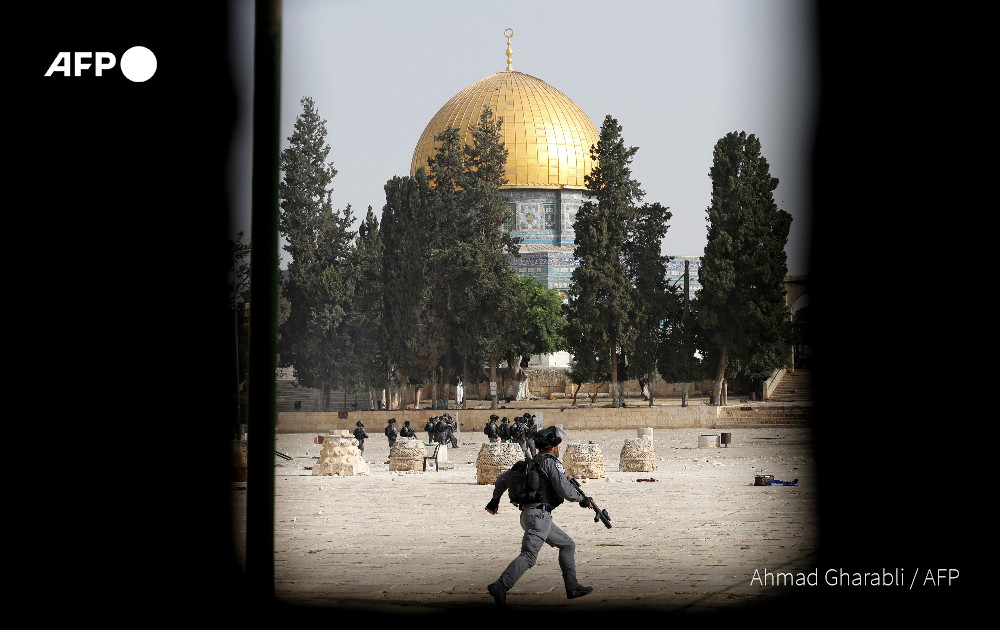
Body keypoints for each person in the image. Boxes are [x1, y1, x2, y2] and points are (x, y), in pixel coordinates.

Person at [484, 426, 594, 606]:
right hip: (540, 516)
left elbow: (502, 480)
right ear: (553, 447)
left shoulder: (530, 462)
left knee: (567, 545)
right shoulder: (551, 462)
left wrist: (495, 500)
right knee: (528, 556)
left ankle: (572, 588)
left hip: (530, 515)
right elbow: (564, 489)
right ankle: (500, 586)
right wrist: (582, 499)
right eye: (558, 445)